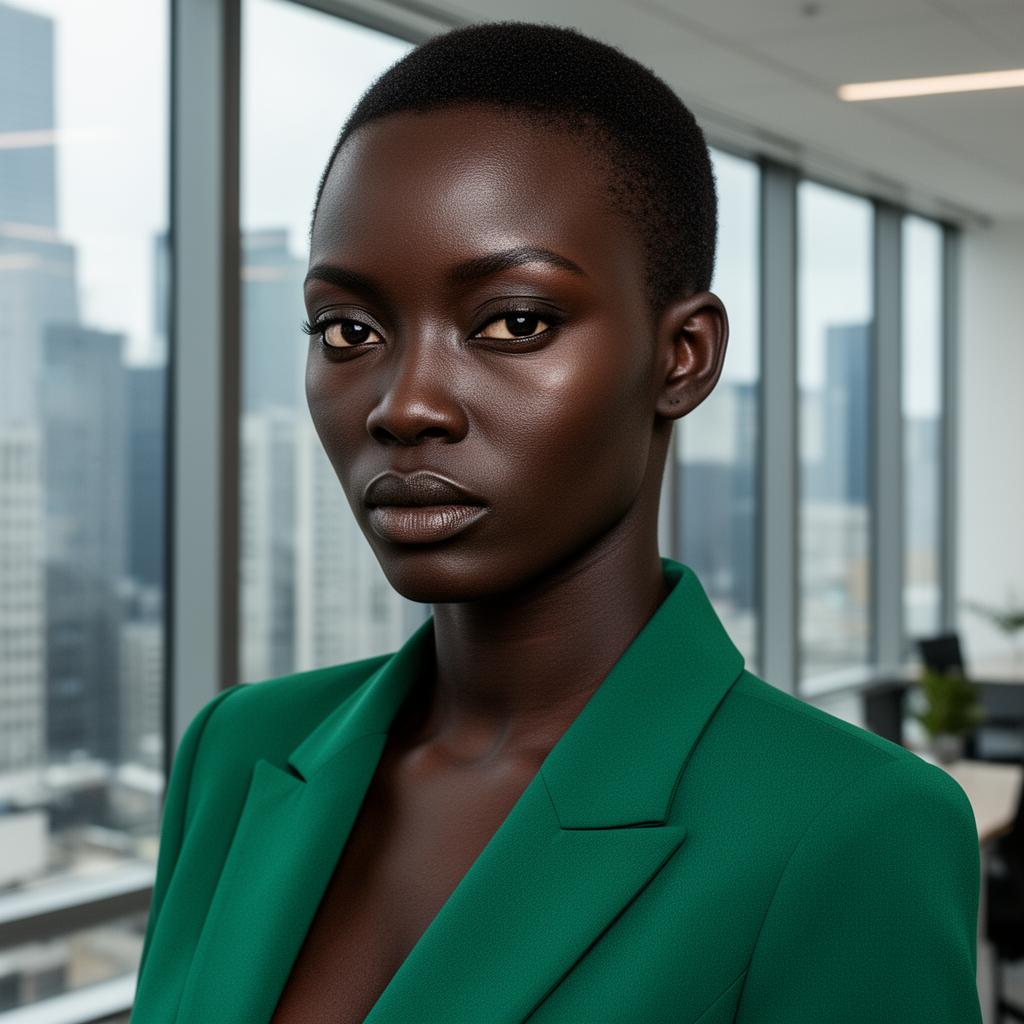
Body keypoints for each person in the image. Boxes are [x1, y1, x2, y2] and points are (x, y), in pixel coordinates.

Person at [131, 20, 983, 1024]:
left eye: (514, 322)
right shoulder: (238, 749)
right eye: (348, 330)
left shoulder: (848, 827)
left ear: (683, 357)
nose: (405, 405)